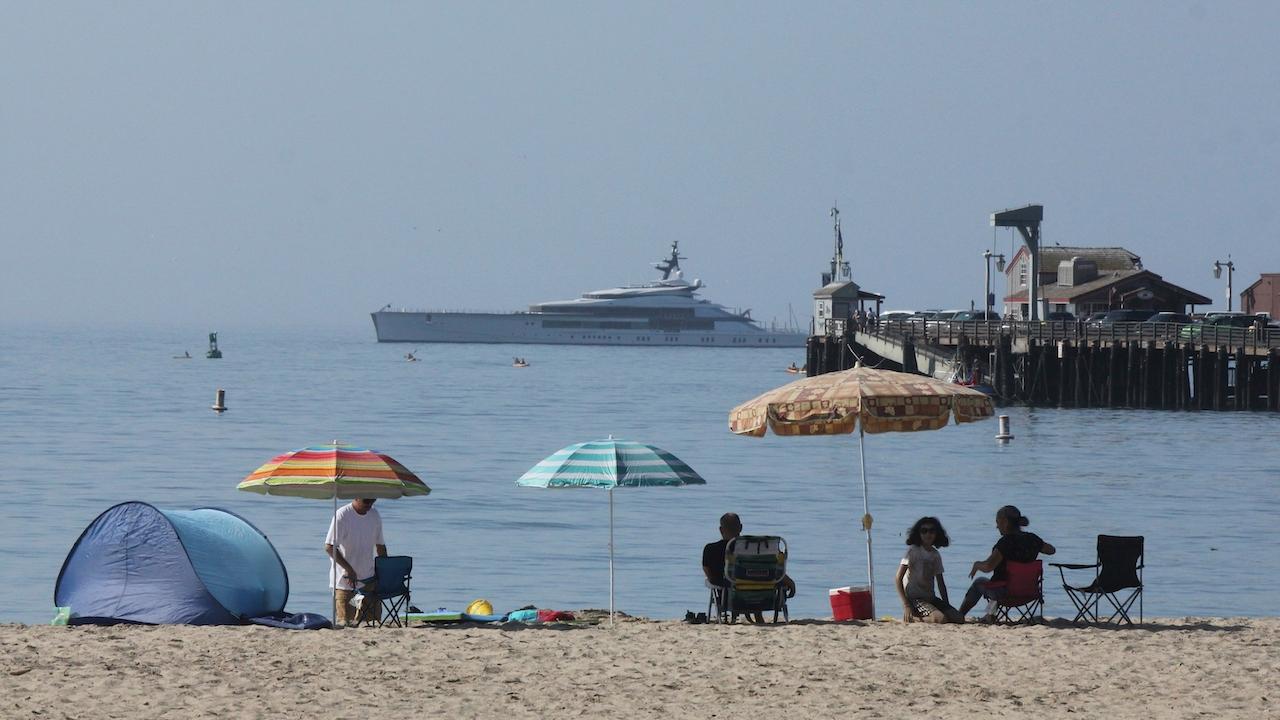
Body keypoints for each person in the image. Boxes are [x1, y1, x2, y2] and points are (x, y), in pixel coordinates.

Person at [959, 505, 1056, 621]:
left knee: (979, 582)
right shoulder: (1032, 539)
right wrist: (1035, 545)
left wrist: (977, 565)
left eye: (997, 522)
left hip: (1005, 593)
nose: (996, 526)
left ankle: (960, 615)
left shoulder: (1005, 543)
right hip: (1029, 592)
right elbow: (1051, 550)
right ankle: (990, 615)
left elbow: (988, 567)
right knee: (996, 583)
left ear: (1005, 522)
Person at [701, 512, 795, 622]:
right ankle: (757, 614)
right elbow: (773, 570)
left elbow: (710, 575)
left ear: (721, 530)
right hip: (765, 598)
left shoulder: (710, 549)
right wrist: (789, 581)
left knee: (716, 582)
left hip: (730, 598)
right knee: (755, 578)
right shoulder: (756, 549)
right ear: (741, 527)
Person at [324, 498, 387, 627]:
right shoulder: (342, 515)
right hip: (345, 581)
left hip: (369, 579)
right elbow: (329, 547)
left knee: (372, 623)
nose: (369, 505)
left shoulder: (374, 514)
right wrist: (349, 569)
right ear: (356, 497)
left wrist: (385, 571)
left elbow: (380, 545)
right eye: (366, 501)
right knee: (345, 623)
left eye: (372, 501)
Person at [894, 517, 963, 623]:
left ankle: (929, 615)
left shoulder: (935, 555)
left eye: (931, 531)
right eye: (924, 531)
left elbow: (941, 583)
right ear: (919, 534)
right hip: (915, 599)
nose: (928, 534)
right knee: (941, 619)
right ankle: (913, 618)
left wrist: (946, 604)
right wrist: (906, 604)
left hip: (930, 598)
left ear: (937, 534)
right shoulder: (912, 551)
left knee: (958, 618)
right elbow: (898, 578)